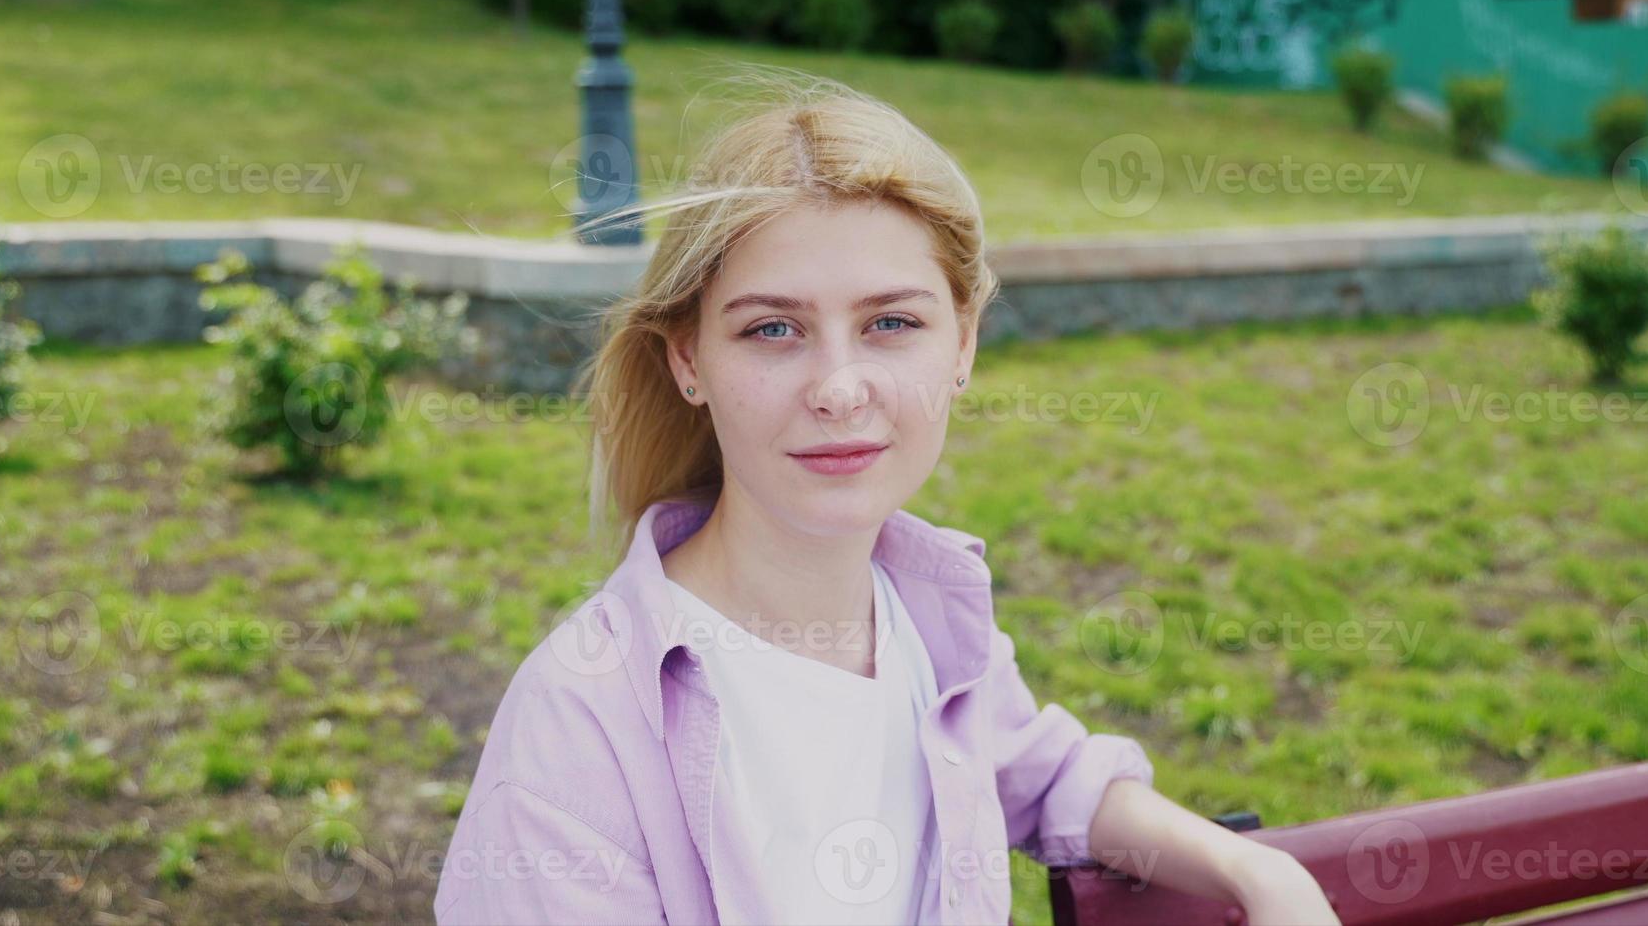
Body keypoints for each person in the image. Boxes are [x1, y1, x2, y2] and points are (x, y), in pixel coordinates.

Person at [435, 71, 1340, 925]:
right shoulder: (581, 723)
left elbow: (1045, 770)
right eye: (774, 329)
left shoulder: (928, 612)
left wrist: (1259, 869)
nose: (839, 387)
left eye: (891, 323)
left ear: (962, 346)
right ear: (687, 360)